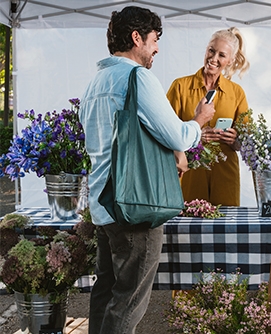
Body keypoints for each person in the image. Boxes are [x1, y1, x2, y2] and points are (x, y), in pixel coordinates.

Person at [80, 6, 214, 333]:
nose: (156, 48)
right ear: (136, 37)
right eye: (154, 40)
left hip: (103, 204)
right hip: (135, 206)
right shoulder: (137, 78)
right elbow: (175, 134)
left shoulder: (95, 82)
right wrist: (199, 120)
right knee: (129, 299)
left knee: (105, 293)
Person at [167, 27, 250, 206]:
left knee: (226, 229)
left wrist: (235, 138)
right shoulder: (180, 87)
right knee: (187, 228)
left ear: (230, 60)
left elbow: (245, 143)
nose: (213, 59)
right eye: (211, 51)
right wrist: (196, 135)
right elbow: (166, 132)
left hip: (225, 175)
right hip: (190, 175)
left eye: (221, 55)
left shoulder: (237, 93)